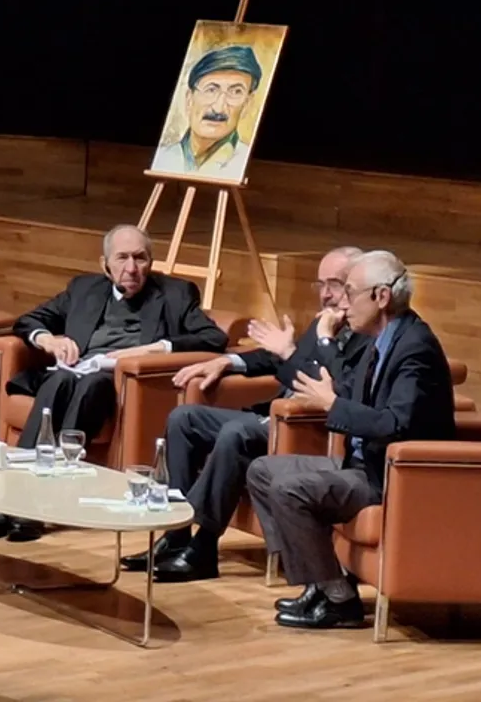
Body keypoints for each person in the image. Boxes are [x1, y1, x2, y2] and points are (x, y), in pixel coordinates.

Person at [121, 246, 371, 580]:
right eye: (320, 284)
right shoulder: (324, 321)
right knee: (184, 418)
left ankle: (204, 546)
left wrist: (294, 351)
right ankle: (176, 535)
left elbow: (336, 386)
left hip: (303, 426)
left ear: (356, 285)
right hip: (270, 417)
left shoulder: (366, 334)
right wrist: (227, 361)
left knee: (235, 433)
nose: (325, 294)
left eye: (335, 284)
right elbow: (276, 359)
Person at [245, 250, 457, 630]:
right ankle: (321, 581)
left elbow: (396, 423)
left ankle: (340, 599)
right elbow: (349, 390)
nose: (343, 302)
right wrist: (328, 379)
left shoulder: (415, 347)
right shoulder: (379, 339)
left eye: (350, 292)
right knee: (262, 470)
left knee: (291, 489)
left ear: (381, 296)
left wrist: (332, 403)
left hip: (390, 477)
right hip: (360, 464)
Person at [0, 224, 229, 542]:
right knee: (59, 381)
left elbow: (214, 337)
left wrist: (153, 349)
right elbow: (29, 321)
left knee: (91, 384)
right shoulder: (84, 289)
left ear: (151, 262)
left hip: (115, 383)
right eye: (122, 258)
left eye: (140, 258)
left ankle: (38, 505)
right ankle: (11, 497)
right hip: (71, 372)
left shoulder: (176, 294)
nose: (131, 268)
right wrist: (50, 340)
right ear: (105, 264)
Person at [151, 45, 262, 182]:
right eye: (211, 90)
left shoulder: (242, 162)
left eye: (235, 92)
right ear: (189, 99)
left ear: (247, 104)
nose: (218, 108)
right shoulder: (164, 158)